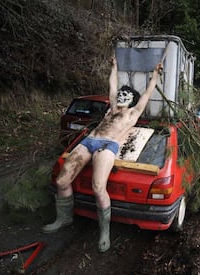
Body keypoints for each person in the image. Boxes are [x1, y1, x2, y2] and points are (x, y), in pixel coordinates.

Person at [42, 56, 163, 253]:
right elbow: (112, 85)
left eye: (127, 95)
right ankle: (64, 218)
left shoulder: (133, 113)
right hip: (89, 140)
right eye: (121, 94)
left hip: (108, 145)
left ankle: (104, 231)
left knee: (98, 187)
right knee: (62, 181)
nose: (122, 96)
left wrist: (156, 75)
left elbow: (147, 94)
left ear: (132, 100)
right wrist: (114, 66)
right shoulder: (112, 108)